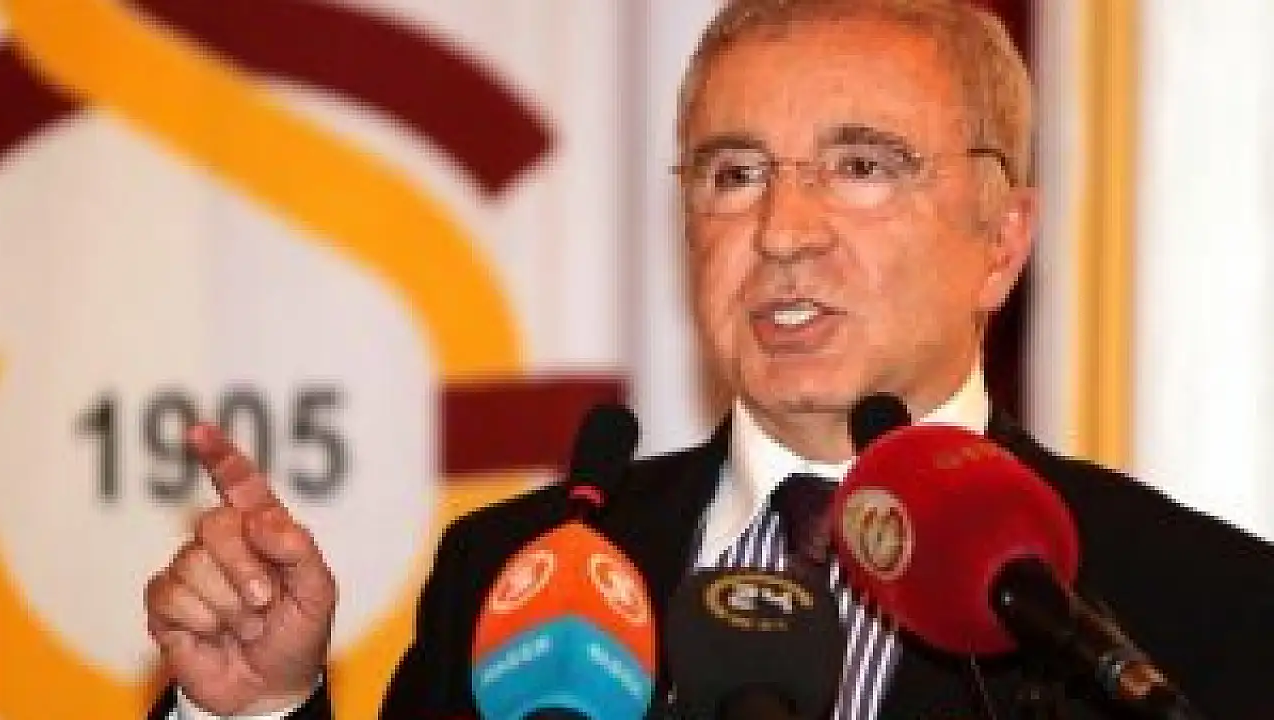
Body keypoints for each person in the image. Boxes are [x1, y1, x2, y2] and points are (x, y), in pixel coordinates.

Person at [145, 0, 1274, 718]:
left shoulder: (1191, 611)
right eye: (735, 175)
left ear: (1002, 240)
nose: (781, 231)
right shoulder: (515, 582)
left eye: (861, 167)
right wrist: (255, 709)